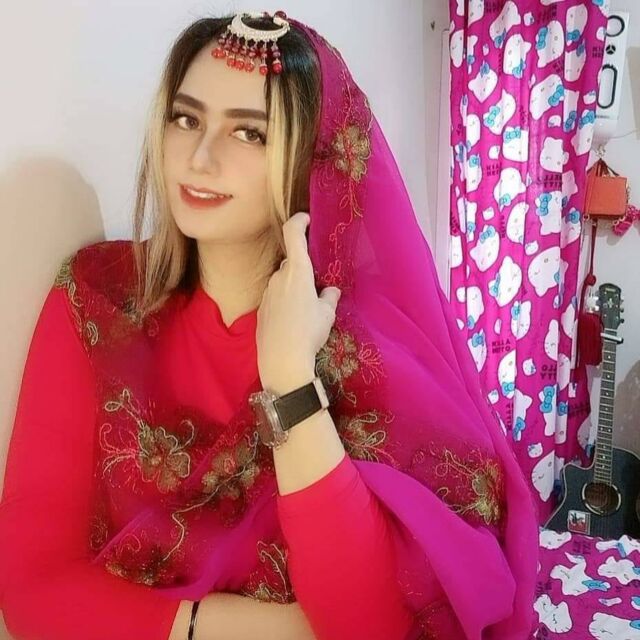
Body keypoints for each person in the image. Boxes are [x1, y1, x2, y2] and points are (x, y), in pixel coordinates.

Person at [0, 11, 539, 640]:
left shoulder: (361, 350)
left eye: (249, 133)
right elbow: (31, 588)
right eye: (186, 119)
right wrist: (246, 628)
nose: (201, 157)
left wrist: (290, 380)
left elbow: (371, 625)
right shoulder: (99, 302)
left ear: (312, 160)